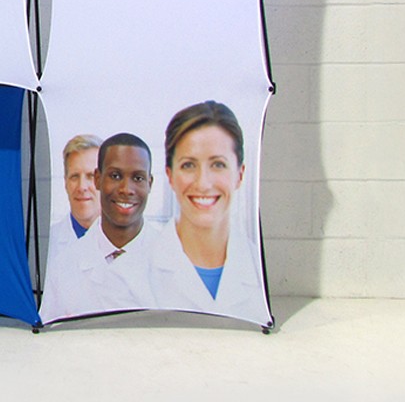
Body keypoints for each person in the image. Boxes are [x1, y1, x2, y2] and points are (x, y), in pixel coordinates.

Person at [146, 100, 270, 325]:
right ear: (170, 175)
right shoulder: (139, 266)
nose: (203, 183)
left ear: (240, 175)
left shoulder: (256, 265)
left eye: (218, 164)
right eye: (188, 165)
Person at [45, 132, 160, 318]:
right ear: (99, 179)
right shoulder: (62, 265)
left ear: (150, 183)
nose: (126, 189)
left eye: (138, 178)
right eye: (115, 176)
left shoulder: (176, 260)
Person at [60, 134, 101, 238]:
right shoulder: (49, 239)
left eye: (91, 176)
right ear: (66, 182)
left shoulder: (130, 240)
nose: (82, 187)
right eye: (75, 177)